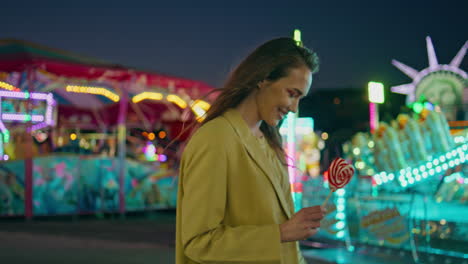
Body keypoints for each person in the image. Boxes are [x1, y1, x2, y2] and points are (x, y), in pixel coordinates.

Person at [176, 37, 325, 264]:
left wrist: (290, 230)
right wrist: (282, 232)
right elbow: (199, 242)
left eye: (300, 98)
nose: (294, 108)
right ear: (263, 79)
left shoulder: (270, 145)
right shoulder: (216, 138)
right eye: (292, 94)